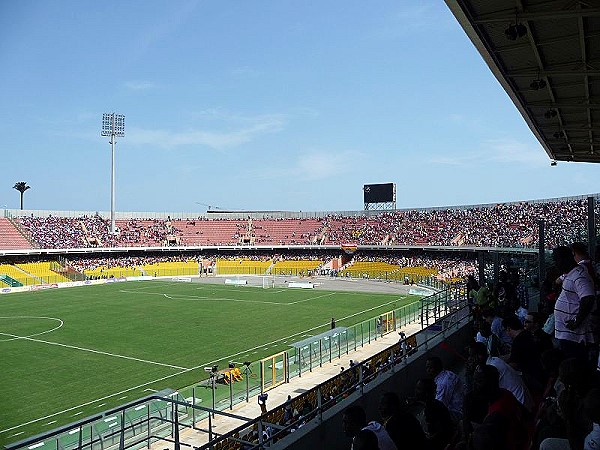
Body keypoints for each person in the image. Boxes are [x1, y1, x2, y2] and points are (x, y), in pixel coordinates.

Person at [553, 246, 596, 364]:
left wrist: (577, 320)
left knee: (575, 366)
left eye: (556, 260)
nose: (555, 264)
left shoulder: (579, 276)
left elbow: (588, 298)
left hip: (574, 336)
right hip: (568, 334)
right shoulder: (572, 273)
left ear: (566, 259)